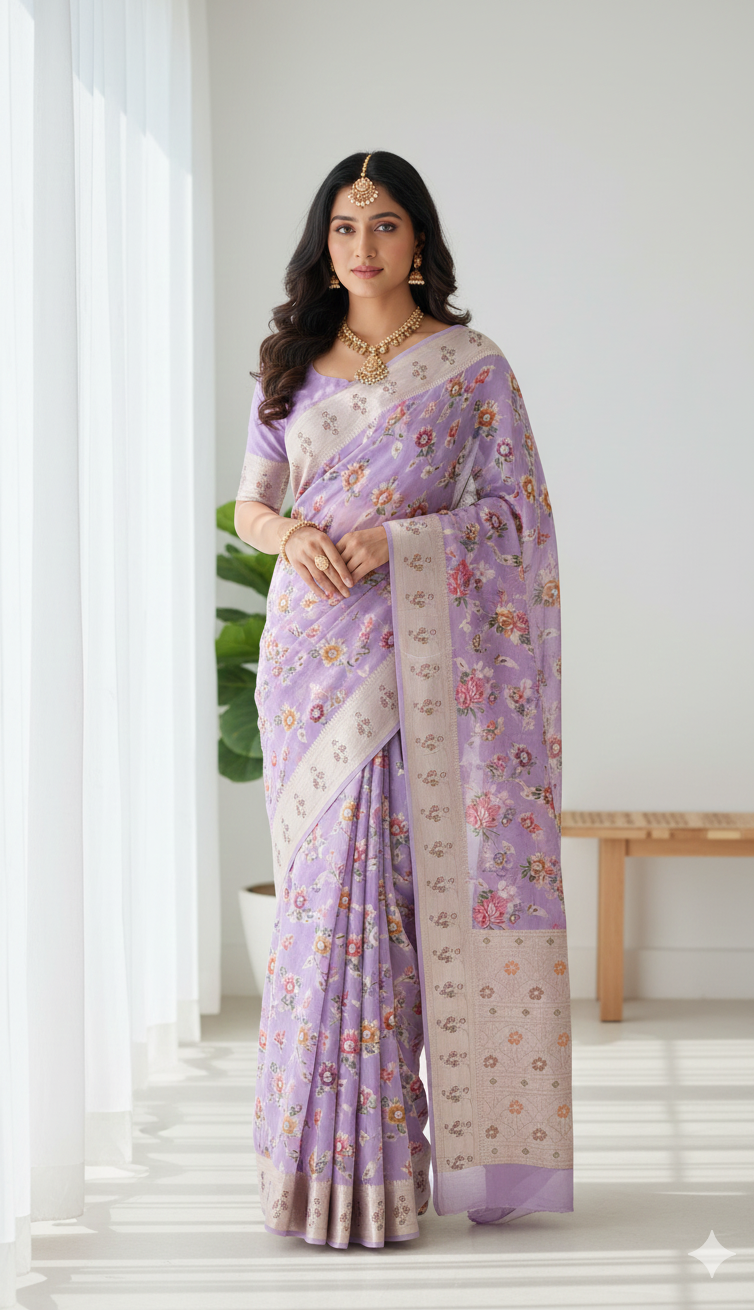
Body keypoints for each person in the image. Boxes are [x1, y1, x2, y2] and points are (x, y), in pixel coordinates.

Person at [234, 151, 573, 1249]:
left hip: (420, 662)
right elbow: (249, 504)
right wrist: (290, 533)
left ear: (419, 239)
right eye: (344, 226)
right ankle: (312, 1176)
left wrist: (401, 539)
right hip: (310, 661)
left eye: (383, 223)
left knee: (393, 903)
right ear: (323, 245)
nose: (363, 245)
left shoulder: (471, 370)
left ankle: (383, 1179)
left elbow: (519, 519)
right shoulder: (291, 362)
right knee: (323, 906)